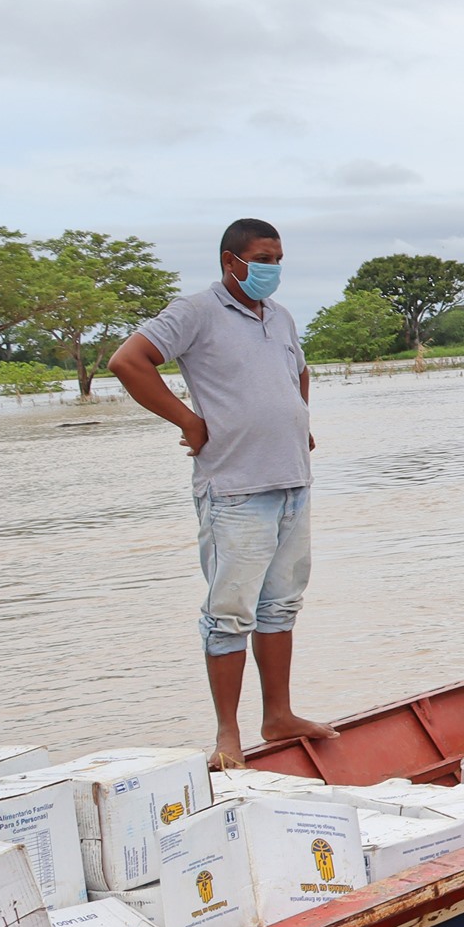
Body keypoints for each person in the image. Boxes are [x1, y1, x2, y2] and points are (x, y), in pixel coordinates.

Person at [109, 218, 338, 767]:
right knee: (230, 613)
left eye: (278, 259)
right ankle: (227, 736)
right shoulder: (196, 312)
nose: (272, 269)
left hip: (291, 484)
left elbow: (298, 372)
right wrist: (188, 421)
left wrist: (299, 419)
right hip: (235, 488)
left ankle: (278, 715)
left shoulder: (279, 317)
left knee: (281, 606)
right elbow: (128, 362)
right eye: (263, 258)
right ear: (230, 261)